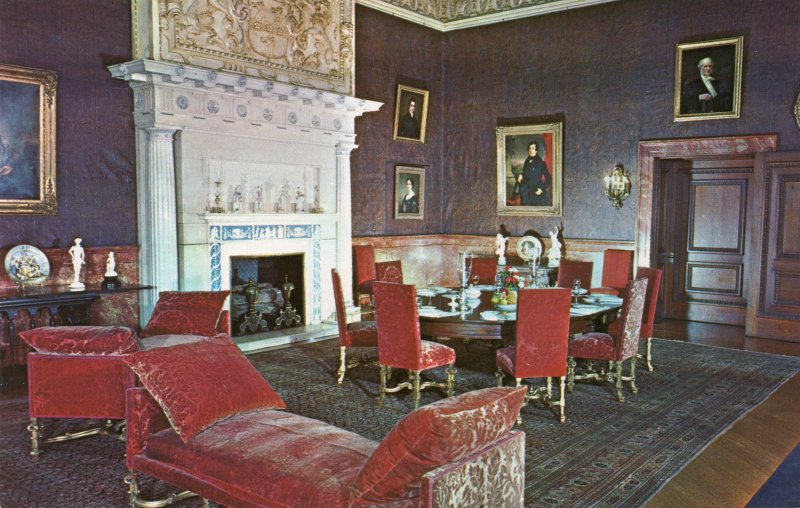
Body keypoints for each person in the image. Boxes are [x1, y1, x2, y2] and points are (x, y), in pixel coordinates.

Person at [517, 141, 552, 206]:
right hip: (526, 194)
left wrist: (541, 189)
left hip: (536, 192)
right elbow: (526, 173)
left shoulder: (541, 163)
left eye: (533, 148)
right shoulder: (527, 161)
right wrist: (521, 175)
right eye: (529, 148)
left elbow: (549, 178)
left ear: (536, 151)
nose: (530, 150)